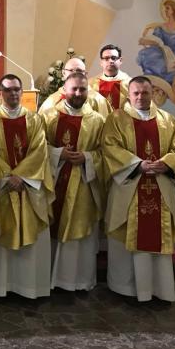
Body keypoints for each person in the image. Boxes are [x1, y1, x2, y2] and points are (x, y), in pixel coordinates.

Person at [103, 76, 175, 303]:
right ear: (129, 95)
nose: (140, 97)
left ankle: (160, 289)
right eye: (136, 93)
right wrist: (136, 164)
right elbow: (109, 147)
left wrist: (166, 163)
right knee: (126, 237)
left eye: (145, 93)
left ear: (153, 93)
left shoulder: (167, 120)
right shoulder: (116, 119)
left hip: (160, 185)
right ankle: (125, 288)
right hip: (128, 186)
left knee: (158, 234)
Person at [0, 74, 53, 299]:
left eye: (17, 90)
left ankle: (30, 287)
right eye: (8, 90)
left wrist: (21, 176)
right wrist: (8, 177)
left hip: (29, 188)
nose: (13, 94)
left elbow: (40, 151)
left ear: (22, 93)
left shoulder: (34, 119)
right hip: (2, 187)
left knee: (33, 237)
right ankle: (0, 287)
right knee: (1, 235)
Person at [40, 73, 105, 292]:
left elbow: (105, 152)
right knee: (53, 228)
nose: (78, 93)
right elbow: (37, 147)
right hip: (54, 181)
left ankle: (78, 281)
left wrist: (87, 157)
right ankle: (49, 279)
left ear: (88, 91)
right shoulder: (48, 115)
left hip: (83, 185)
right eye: (74, 89)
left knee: (80, 230)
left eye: (82, 89)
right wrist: (58, 154)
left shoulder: (97, 120)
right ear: (64, 90)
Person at [39, 57, 112, 118]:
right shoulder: (52, 100)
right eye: (71, 70)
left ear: (85, 74)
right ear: (63, 73)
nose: (75, 74)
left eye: (79, 71)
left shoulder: (98, 100)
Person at [89, 44, 131, 111]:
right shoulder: (91, 83)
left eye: (113, 58)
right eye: (106, 58)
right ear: (101, 62)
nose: (110, 61)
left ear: (120, 60)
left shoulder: (130, 83)